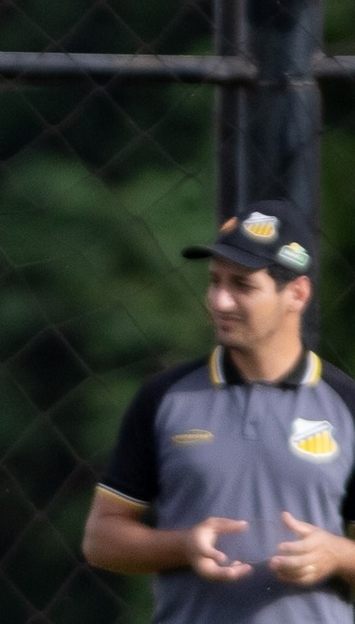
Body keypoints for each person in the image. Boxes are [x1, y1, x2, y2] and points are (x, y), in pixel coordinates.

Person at [82, 198, 355, 622]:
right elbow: (101, 539)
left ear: (296, 294)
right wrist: (184, 544)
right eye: (215, 282)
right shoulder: (165, 397)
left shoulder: (347, 405)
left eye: (242, 286)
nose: (220, 301)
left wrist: (339, 555)